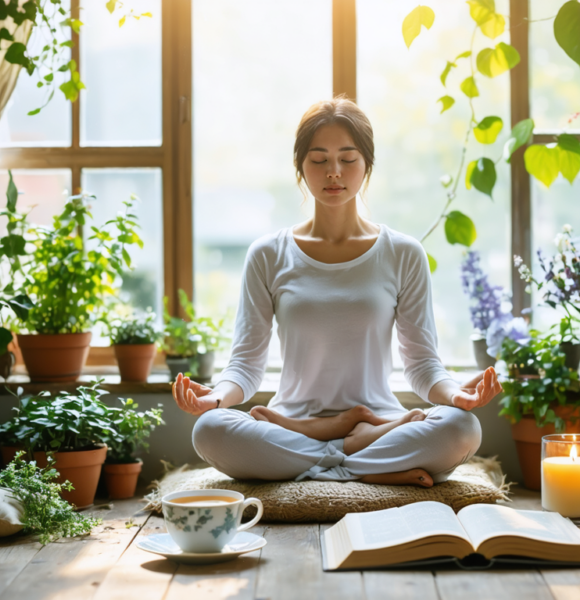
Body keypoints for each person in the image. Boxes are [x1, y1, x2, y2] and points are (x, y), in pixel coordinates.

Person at [172, 97, 503, 487]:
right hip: (291, 426)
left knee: (462, 428)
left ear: (367, 165)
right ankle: (363, 464)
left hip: (378, 422)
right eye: (319, 159)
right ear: (300, 166)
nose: (333, 172)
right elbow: (245, 366)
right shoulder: (268, 254)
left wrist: (455, 395)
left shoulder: (402, 252)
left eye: (347, 159)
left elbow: (422, 365)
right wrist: (213, 399)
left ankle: (325, 462)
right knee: (209, 429)